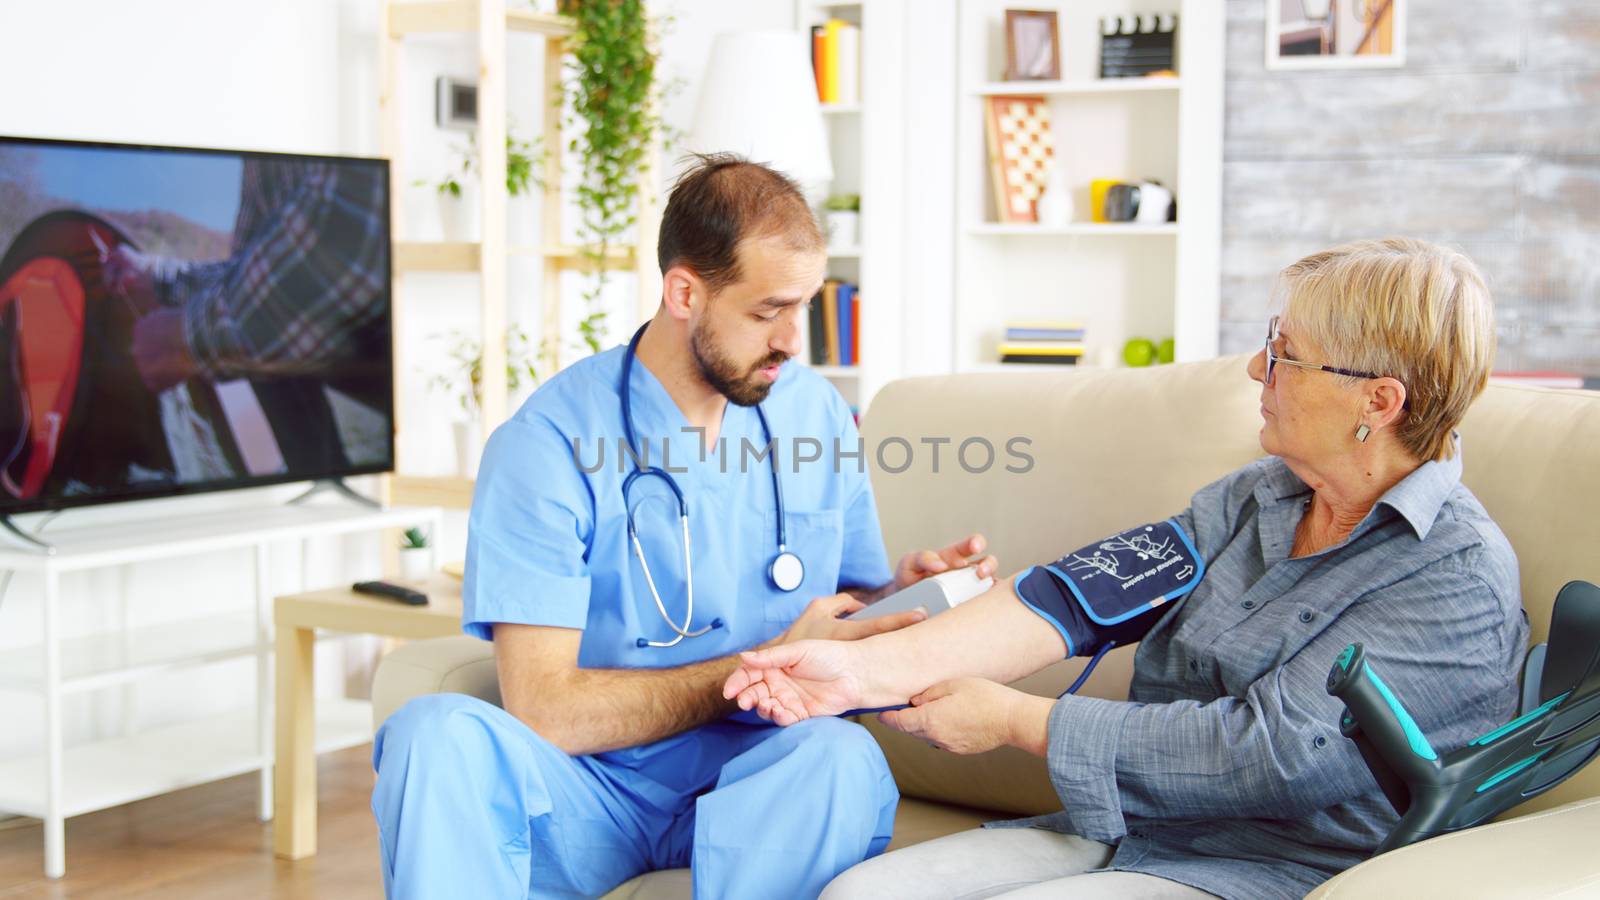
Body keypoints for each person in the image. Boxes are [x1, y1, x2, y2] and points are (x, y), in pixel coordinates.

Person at [726, 238, 1529, 899]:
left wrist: (1014, 722)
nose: (1257, 369)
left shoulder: (1457, 578)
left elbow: (1270, 754)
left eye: (1286, 354)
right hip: (1133, 831)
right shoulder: (1260, 499)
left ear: (1377, 403)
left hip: (1281, 870)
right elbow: (1075, 597)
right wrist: (858, 670)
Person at [370, 154, 997, 900]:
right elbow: (547, 711)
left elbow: (847, 601)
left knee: (840, 760)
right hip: (590, 791)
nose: (794, 340)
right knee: (434, 735)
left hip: (759, 786)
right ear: (684, 292)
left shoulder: (815, 414)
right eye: (767, 312)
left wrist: (899, 597)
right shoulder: (547, 444)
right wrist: (763, 664)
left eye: (803, 306)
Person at [102, 157, 389, 471]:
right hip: (344, 339)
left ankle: (323, 482)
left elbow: (347, 234)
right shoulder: (261, 167)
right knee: (265, 345)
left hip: (384, 336)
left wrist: (187, 337)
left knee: (265, 336)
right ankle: (318, 481)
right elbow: (249, 272)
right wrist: (158, 276)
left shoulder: (321, 151)